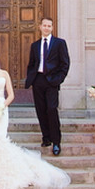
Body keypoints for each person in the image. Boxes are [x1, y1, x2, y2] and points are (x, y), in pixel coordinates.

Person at [0, 46, 70, 189]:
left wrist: (2, 106)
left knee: (0, 138)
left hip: (1, 109)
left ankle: (5, 172)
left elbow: (10, 94)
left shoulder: (4, 73)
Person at [25, 17, 70, 155]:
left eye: (49, 26)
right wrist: (31, 78)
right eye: (44, 25)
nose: (46, 28)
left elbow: (65, 64)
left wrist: (58, 80)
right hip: (38, 80)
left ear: (52, 27)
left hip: (52, 81)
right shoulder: (35, 45)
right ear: (40, 27)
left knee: (51, 109)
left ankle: (56, 141)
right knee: (41, 110)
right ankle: (46, 137)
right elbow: (32, 63)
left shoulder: (59, 43)